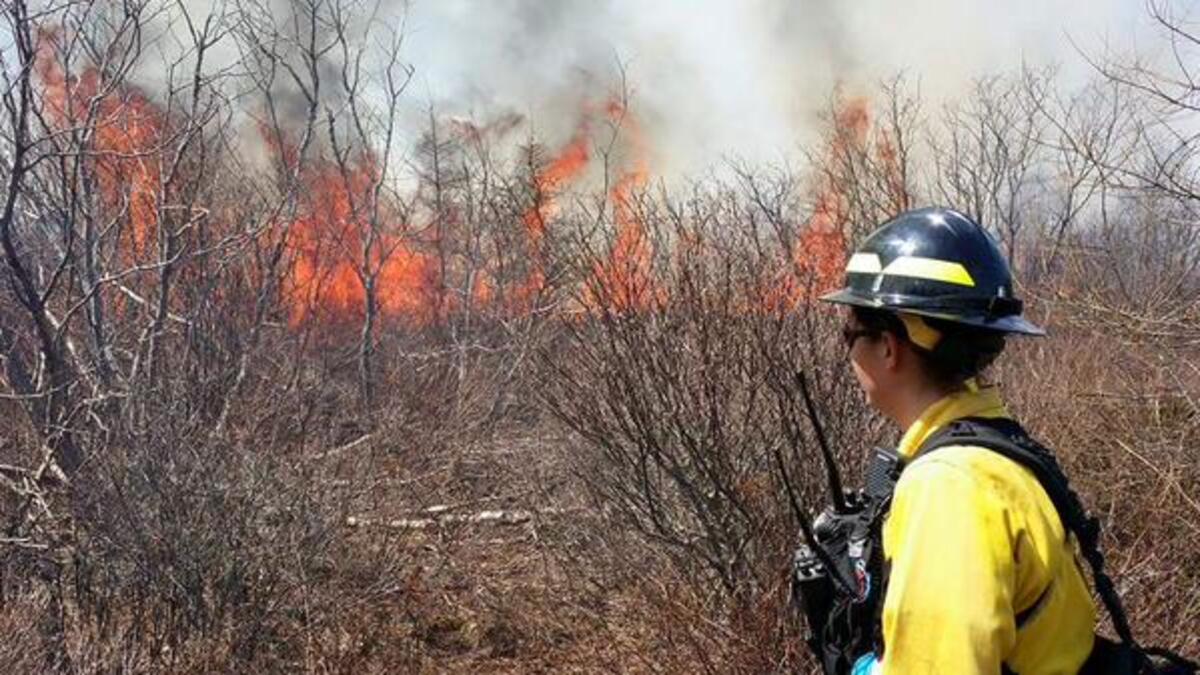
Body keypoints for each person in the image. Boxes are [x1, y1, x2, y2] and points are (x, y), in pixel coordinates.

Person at [818, 207, 1097, 673]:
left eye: (852, 333)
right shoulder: (993, 454)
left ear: (889, 347)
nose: (849, 352)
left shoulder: (948, 486)